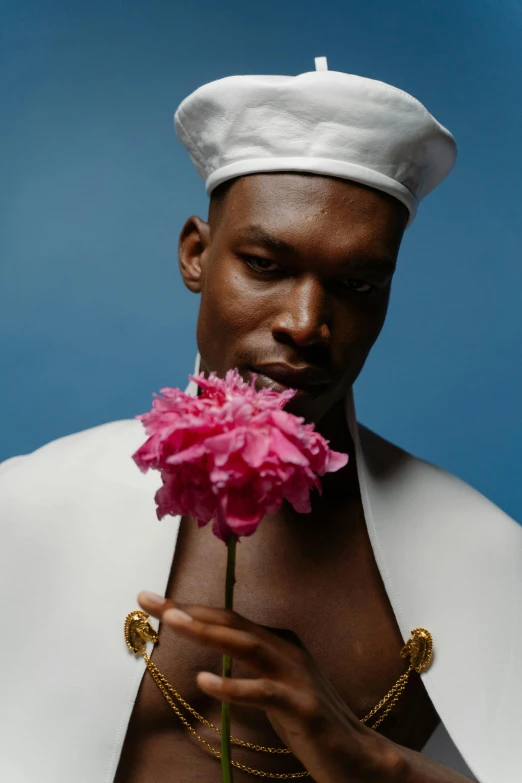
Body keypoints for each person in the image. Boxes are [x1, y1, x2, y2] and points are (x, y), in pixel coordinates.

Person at [0, 58, 520, 783]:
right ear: (197, 255)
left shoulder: (487, 552)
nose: (307, 324)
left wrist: (375, 761)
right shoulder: (25, 506)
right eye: (267, 264)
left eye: (357, 284)